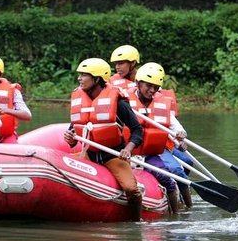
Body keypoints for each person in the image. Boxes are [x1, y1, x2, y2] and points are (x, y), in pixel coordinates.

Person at [63, 58, 143, 221]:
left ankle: (136, 223)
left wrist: (127, 149)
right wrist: (70, 139)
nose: (79, 79)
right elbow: (73, 134)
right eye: (80, 75)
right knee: (63, 170)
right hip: (89, 154)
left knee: (131, 189)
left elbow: (137, 131)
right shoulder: (79, 100)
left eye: (84, 75)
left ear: (97, 79)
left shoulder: (118, 103)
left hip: (113, 155)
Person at [127, 62, 193, 211]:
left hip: (152, 151)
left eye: (155, 87)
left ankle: (182, 210)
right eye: (148, 86)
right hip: (130, 149)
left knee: (176, 171)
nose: (152, 90)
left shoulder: (161, 104)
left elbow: (176, 127)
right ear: (138, 83)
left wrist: (180, 136)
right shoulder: (126, 101)